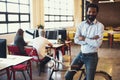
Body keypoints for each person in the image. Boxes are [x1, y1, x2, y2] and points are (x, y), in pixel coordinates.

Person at [65, 3, 104, 80]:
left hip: (92, 57)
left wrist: (84, 38)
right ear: (87, 12)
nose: (91, 14)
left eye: (93, 12)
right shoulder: (81, 25)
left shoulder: (100, 26)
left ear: (96, 13)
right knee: (68, 76)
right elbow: (76, 40)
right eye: (89, 12)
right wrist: (91, 39)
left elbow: (98, 44)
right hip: (80, 55)